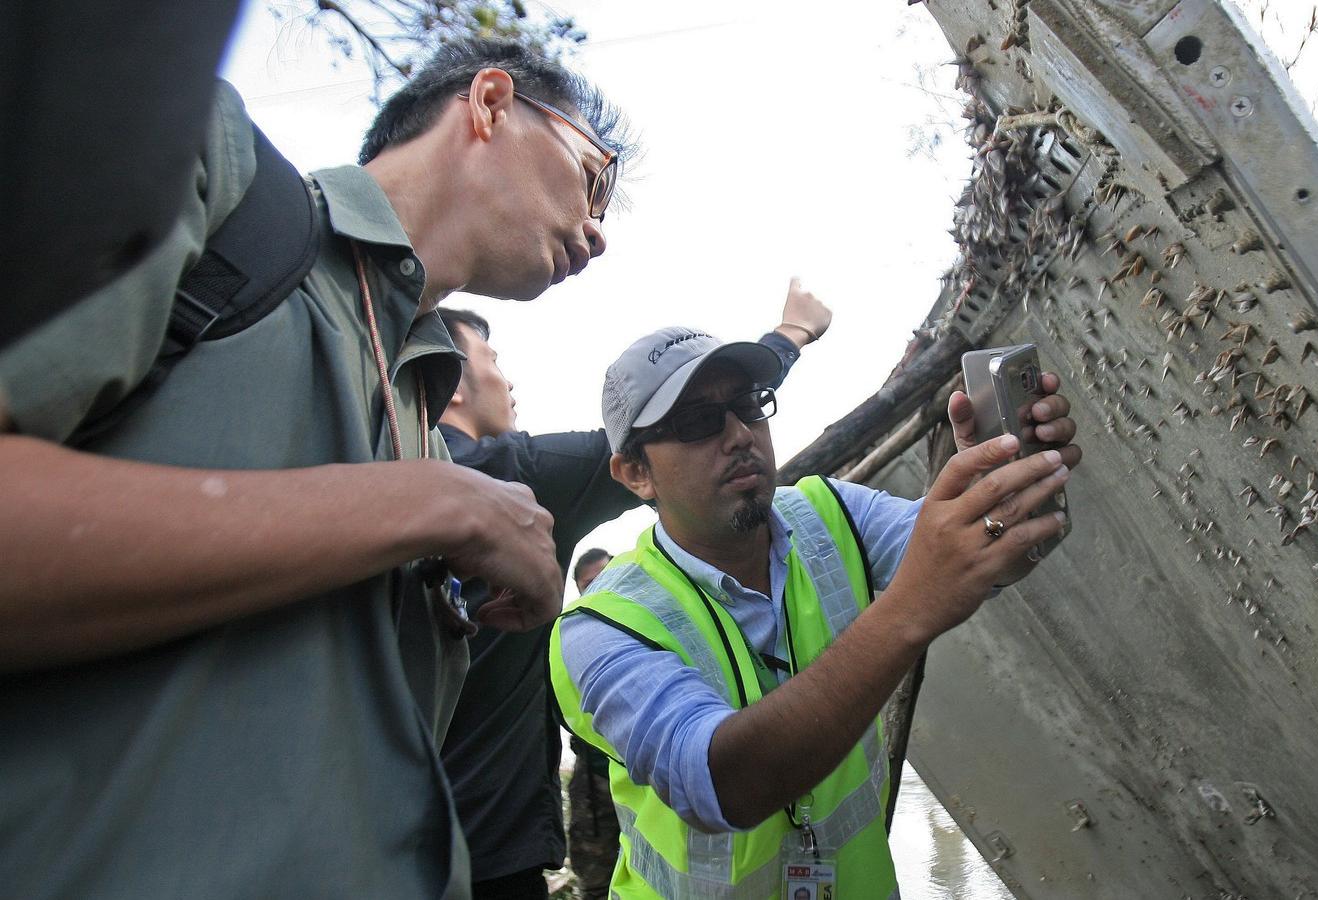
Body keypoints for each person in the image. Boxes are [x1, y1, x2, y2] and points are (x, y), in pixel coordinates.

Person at [0, 39, 631, 898]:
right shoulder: (212, 167)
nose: (598, 233)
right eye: (595, 179)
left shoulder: (424, 415)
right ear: (489, 102)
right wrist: (436, 506)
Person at [550, 327, 1082, 897]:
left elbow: (980, 559)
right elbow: (723, 783)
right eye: (697, 422)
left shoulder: (831, 512)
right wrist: (909, 610)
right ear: (635, 472)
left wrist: (996, 490)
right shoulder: (600, 629)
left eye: (748, 405)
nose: (738, 435)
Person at [434, 284, 830, 900]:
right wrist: (792, 335)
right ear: (453, 382)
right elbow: (669, 437)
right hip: (484, 844)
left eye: (750, 408)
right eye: (492, 361)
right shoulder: (516, 477)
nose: (506, 382)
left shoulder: (386, 489)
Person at [566, 549, 624, 900]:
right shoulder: (568, 634)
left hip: (649, 781)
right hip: (594, 780)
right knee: (596, 882)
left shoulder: (651, 619)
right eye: (588, 584)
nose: (597, 588)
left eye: (605, 576)